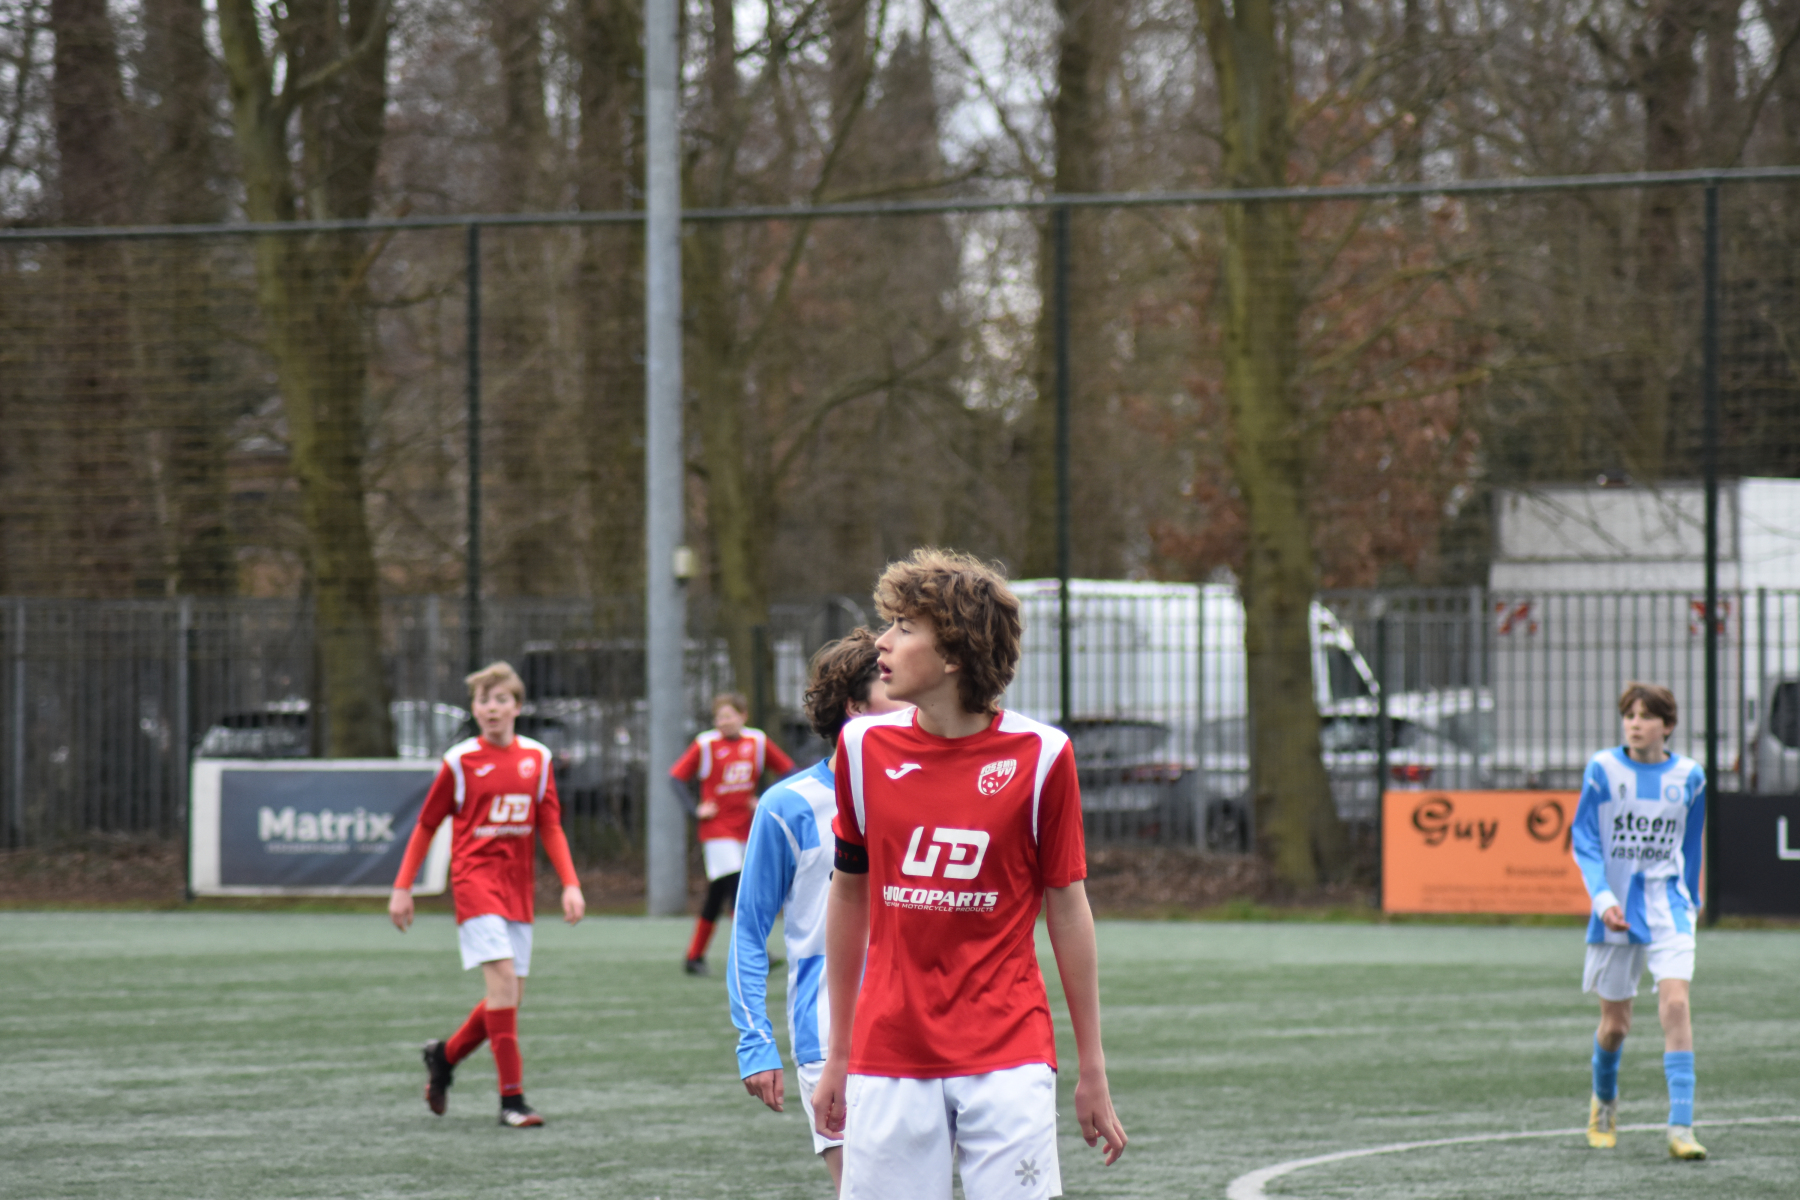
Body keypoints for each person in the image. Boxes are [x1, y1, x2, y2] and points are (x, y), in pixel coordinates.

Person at [812, 548, 1127, 1200]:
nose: (882, 642)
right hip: (888, 1053)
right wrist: (838, 1052)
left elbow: (1068, 909)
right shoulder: (861, 748)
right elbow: (847, 895)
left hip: (1008, 1055)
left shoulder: (1044, 757)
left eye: (904, 627)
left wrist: (1092, 1066)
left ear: (954, 654)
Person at [727, 630, 910, 1192]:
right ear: (855, 708)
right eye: (892, 689)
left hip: (926, 1030)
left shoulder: (929, 792)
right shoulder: (788, 806)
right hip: (831, 1036)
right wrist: (754, 1041)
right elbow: (749, 930)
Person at [388, 661, 586, 1128]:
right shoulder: (460, 761)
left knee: (509, 996)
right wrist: (402, 887)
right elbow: (426, 825)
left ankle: (444, 1057)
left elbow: (550, 824)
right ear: (475, 709)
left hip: (517, 889)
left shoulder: (537, 758)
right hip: (474, 884)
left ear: (517, 706)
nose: (491, 708)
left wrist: (570, 883)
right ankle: (512, 1101)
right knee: (502, 986)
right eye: (483, 700)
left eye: (501, 700)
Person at [1572, 681, 1707, 1160]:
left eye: (1646, 716)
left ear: (1667, 726)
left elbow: (1691, 842)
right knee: (1615, 1025)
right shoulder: (1603, 769)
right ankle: (1604, 1103)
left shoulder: (1690, 776)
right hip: (1616, 911)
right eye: (1629, 714)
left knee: (1676, 1004)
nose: (1635, 723)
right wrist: (1603, 898)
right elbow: (1584, 839)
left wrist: (1693, 896)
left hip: (1669, 905)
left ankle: (1681, 1127)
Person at [670, 692, 795, 975]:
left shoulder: (757, 741)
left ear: (743, 716)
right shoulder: (706, 744)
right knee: (738, 889)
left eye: (728, 716)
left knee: (717, 895)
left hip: (746, 829)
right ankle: (756, 951)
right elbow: (676, 777)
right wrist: (695, 809)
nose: (723, 722)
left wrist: (765, 798)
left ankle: (694, 957)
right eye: (719, 717)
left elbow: (789, 770)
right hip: (717, 831)